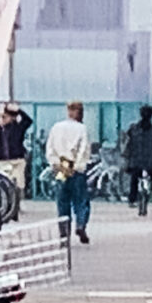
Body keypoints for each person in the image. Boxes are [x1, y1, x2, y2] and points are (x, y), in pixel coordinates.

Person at [47, 101, 93, 244]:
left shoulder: (57, 127)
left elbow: (50, 147)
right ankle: (80, 224)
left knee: (63, 201)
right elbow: (84, 149)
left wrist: (55, 163)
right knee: (81, 200)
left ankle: (64, 234)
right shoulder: (81, 128)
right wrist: (78, 165)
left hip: (61, 166)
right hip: (76, 168)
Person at [121, 106, 152, 217]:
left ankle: (132, 199)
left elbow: (126, 142)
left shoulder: (133, 128)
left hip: (135, 161)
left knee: (134, 180)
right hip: (151, 163)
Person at [0, 105, 31, 197]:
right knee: (4, 182)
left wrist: (18, 111)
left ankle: (17, 201)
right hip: (4, 159)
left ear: (12, 118)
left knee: (19, 182)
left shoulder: (18, 127)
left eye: (5, 117)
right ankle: (8, 200)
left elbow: (28, 121)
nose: (3, 119)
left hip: (17, 158)